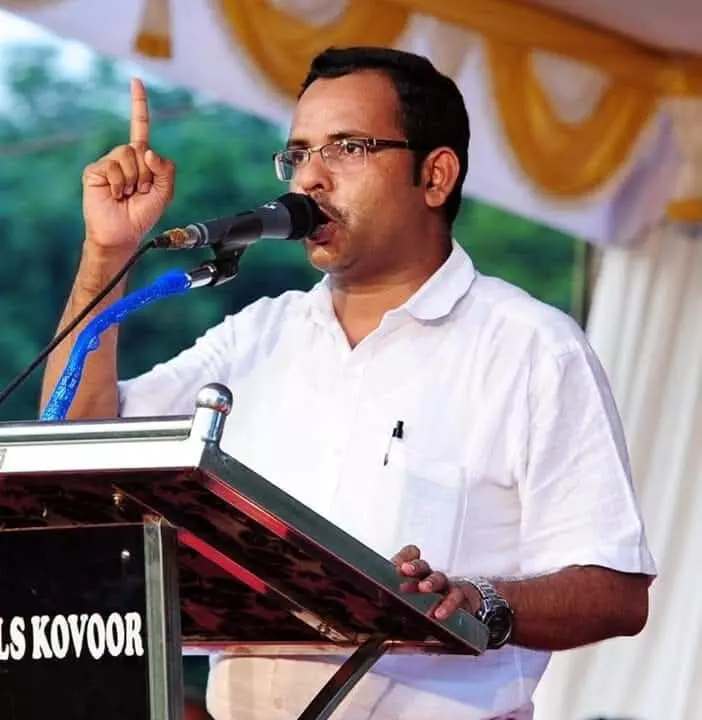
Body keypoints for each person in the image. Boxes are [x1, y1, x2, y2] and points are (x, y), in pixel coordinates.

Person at [41, 46, 656, 720]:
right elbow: (74, 447)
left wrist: (480, 601)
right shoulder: (257, 335)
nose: (310, 177)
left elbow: (615, 591)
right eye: (299, 153)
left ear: (435, 176)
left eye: (347, 148)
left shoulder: (531, 348)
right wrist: (107, 250)